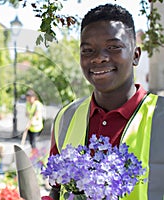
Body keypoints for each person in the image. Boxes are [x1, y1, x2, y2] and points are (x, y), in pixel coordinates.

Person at [48, 4, 164, 200]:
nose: (99, 58)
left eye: (113, 47)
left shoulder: (160, 116)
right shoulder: (65, 117)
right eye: (88, 50)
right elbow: (58, 188)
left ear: (136, 55)